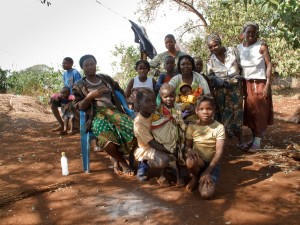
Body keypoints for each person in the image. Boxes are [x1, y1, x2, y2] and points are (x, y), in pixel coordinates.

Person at [72, 54, 135, 176]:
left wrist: (126, 103)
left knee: (133, 129)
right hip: (96, 115)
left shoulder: (105, 79)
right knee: (105, 137)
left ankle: (116, 157)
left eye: (92, 64)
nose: (90, 67)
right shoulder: (79, 85)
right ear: (82, 68)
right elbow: (79, 106)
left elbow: (119, 90)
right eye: (87, 65)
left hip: (114, 112)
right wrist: (91, 96)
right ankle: (123, 162)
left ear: (96, 64)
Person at [237, 22, 274, 152]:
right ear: (243, 34)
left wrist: (267, 84)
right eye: (248, 32)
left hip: (260, 83)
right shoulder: (239, 48)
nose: (251, 34)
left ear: (257, 33)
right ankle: (253, 139)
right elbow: (238, 67)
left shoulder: (262, 46)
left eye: (254, 32)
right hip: (246, 83)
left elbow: (269, 65)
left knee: (259, 112)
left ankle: (257, 142)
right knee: (250, 112)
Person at [206, 33, 244, 146]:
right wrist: (218, 81)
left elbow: (242, 66)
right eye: (210, 47)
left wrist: (240, 79)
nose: (213, 48)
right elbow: (209, 76)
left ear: (220, 43)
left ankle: (240, 139)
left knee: (237, 112)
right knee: (224, 113)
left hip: (235, 87)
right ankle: (227, 140)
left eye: (215, 45)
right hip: (221, 89)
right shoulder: (210, 60)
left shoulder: (233, 51)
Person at [185, 95, 225, 199]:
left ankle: (203, 176)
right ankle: (195, 177)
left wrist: (207, 172)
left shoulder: (219, 127)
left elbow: (219, 152)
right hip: (199, 161)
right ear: (196, 111)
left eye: (209, 109)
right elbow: (187, 146)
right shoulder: (192, 126)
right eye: (201, 109)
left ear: (214, 110)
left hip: (212, 164)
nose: (205, 112)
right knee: (190, 161)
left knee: (206, 194)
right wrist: (189, 149)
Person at [133, 88, 171, 186]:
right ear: (139, 103)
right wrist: (171, 150)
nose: (152, 104)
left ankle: (164, 173)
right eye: (147, 101)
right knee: (164, 159)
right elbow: (152, 144)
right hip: (147, 148)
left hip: (161, 143)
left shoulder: (156, 113)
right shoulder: (139, 123)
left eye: (153, 100)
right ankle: (144, 163)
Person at [151, 83, 186, 187]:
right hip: (163, 138)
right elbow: (155, 125)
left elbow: (180, 120)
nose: (169, 99)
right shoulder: (158, 110)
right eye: (166, 97)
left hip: (176, 135)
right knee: (166, 154)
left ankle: (179, 175)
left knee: (177, 153)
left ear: (175, 96)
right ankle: (162, 176)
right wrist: (169, 121)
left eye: (171, 96)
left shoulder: (177, 107)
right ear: (161, 97)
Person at [168, 54, 210, 122]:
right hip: (178, 112)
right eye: (183, 64)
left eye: (188, 64)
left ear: (192, 65)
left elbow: (207, 95)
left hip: (197, 110)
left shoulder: (199, 78)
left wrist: (196, 107)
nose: (186, 66)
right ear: (179, 66)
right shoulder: (175, 79)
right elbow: (168, 93)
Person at [51, 57, 82, 132]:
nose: (63, 65)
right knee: (53, 104)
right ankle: (61, 125)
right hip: (65, 96)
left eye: (65, 63)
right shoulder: (65, 74)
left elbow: (78, 87)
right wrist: (59, 96)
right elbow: (65, 87)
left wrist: (72, 99)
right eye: (62, 63)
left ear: (71, 64)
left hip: (73, 97)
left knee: (70, 106)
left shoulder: (75, 73)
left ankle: (75, 128)